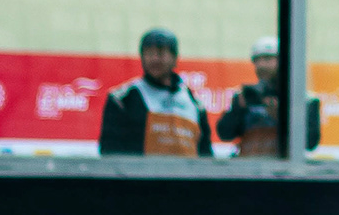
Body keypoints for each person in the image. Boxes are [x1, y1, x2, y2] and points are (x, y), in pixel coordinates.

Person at [96, 29, 211, 157]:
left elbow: (206, 156)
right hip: (141, 176)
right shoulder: (123, 100)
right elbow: (110, 153)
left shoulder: (194, 104)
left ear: (174, 58)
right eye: (149, 53)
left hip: (186, 176)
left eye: (161, 53)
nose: (155, 59)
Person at [219, 37, 318, 159]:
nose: (261, 65)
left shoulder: (304, 100)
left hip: (284, 172)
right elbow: (224, 134)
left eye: (267, 59)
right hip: (249, 171)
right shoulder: (247, 97)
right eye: (256, 61)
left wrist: (282, 117)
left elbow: (311, 143)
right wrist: (237, 110)